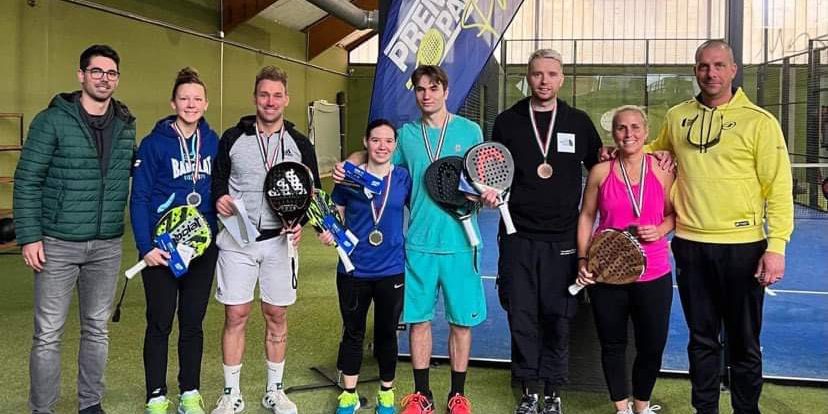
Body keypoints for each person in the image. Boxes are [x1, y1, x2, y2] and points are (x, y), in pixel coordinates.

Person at [647, 39, 793, 414]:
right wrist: (616, 151)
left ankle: (746, 410)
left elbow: (778, 188)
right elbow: (653, 151)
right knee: (701, 340)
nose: (710, 73)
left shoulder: (760, 122)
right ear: (695, 70)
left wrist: (776, 246)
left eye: (718, 65)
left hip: (744, 248)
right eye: (703, 66)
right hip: (690, 246)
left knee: (744, 342)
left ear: (733, 70)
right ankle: (705, 410)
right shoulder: (677, 116)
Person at [334, 65, 485, 414]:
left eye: (433, 88)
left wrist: (484, 194)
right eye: (420, 89)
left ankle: (457, 395)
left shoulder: (470, 130)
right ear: (415, 93)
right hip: (417, 244)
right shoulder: (406, 135)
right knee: (419, 322)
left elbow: (481, 177)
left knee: (461, 323)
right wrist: (349, 163)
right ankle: (422, 395)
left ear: (446, 91)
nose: (426, 95)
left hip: (461, 243)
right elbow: (377, 156)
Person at [13, 44, 135, 414]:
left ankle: (90, 404)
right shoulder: (51, 121)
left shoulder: (126, 124)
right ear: (81, 75)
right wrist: (30, 236)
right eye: (96, 71)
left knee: (97, 329)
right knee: (48, 334)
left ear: (117, 79)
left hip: (106, 245)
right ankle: (42, 408)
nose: (104, 79)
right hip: (57, 244)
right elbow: (27, 180)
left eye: (111, 73)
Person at [485, 49, 603, 414]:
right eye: (537, 74)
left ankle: (553, 392)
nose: (544, 80)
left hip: (563, 239)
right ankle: (529, 390)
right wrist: (488, 193)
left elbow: (601, 169)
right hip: (517, 236)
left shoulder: (579, 122)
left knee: (558, 316)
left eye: (551, 74)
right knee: (521, 315)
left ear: (562, 79)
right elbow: (492, 172)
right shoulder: (507, 122)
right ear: (528, 77)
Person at [210, 65, 320, 414]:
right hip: (237, 240)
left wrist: (301, 223)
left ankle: (275, 391)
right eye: (264, 95)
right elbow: (217, 180)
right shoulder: (232, 138)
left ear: (286, 99)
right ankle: (231, 394)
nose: (270, 102)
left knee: (276, 314)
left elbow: (312, 193)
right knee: (236, 314)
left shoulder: (300, 144)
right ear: (254, 97)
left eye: (276, 95)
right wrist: (219, 197)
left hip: (280, 244)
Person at [130, 67, 219, 414]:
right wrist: (145, 248)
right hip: (162, 251)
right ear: (173, 103)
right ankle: (156, 394)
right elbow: (139, 198)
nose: (190, 104)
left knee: (192, 324)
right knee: (160, 322)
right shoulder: (154, 144)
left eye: (197, 99)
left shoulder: (213, 142)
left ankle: (189, 392)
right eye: (184, 98)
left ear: (206, 103)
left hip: (201, 250)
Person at [575, 106, 674, 414]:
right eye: (621, 128)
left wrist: (660, 229)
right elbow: (586, 216)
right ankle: (622, 408)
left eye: (634, 127)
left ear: (646, 132)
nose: (628, 134)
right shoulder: (600, 172)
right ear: (613, 133)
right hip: (608, 271)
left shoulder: (662, 170)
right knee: (612, 344)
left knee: (652, 345)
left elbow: (675, 214)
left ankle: (642, 407)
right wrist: (583, 258)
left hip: (654, 271)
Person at [318, 119, 411, 414]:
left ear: (395, 145)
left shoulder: (403, 178)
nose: (382, 146)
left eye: (388, 141)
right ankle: (349, 394)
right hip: (353, 269)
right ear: (365, 142)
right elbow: (335, 214)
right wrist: (328, 232)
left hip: (391, 269)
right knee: (353, 332)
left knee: (386, 332)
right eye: (376, 140)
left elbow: (419, 210)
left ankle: (387, 393)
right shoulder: (349, 178)